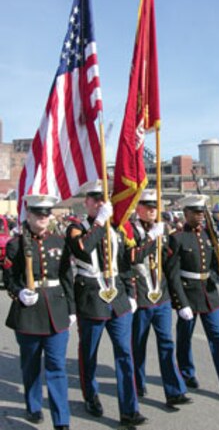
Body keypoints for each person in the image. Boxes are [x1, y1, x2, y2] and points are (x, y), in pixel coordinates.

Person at [66, 181, 147, 427]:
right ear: (86, 202)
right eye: (95, 198)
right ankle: (90, 395)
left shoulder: (117, 228)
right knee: (89, 352)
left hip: (118, 298)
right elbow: (83, 249)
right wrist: (100, 222)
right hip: (92, 298)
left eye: (104, 198)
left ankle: (129, 409)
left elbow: (124, 264)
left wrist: (131, 293)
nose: (100, 202)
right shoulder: (76, 228)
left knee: (125, 353)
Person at [165, 194, 219, 397]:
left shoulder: (208, 235)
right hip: (189, 295)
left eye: (202, 212)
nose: (201, 216)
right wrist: (180, 302)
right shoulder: (177, 238)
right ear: (186, 214)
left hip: (209, 293)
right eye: (196, 213)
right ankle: (186, 373)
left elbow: (211, 263)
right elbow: (173, 274)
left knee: (217, 336)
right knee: (185, 337)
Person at [4, 194, 75, 430]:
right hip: (29, 314)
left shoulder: (59, 242)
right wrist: (19, 292)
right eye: (38, 213)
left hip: (56, 310)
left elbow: (66, 277)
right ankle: (33, 405)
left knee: (57, 366)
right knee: (31, 365)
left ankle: (61, 419)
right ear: (29, 214)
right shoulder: (16, 244)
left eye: (47, 213)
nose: (43, 217)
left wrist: (71, 309)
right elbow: (9, 278)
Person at [127, 189, 191, 408]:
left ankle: (174, 391)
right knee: (137, 345)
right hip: (140, 296)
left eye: (155, 207)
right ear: (138, 208)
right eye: (148, 206)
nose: (153, 211)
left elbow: (170, 264)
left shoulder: (163, 230)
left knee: (166, 343)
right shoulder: (130, 231)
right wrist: (151, 237)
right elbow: (132, 257)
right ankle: (136, 384)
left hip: (161, 296)